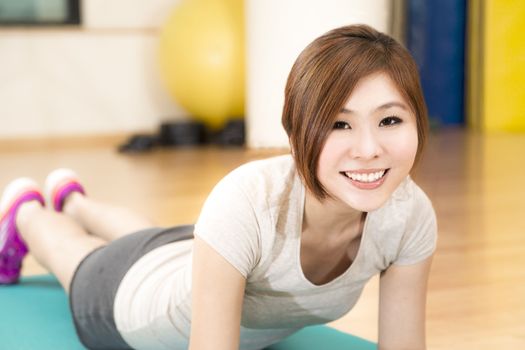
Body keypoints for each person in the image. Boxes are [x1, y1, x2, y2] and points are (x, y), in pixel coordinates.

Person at [0, 24, 437, 350]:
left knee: (147, 237)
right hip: (127, 299)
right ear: (295, 131)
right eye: (340, 124)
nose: (369, 149)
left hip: (189, 254)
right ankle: (26, 211)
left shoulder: (409, 214)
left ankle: (75, 200)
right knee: (78, 255)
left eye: (390, 120)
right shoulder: (248, 201)